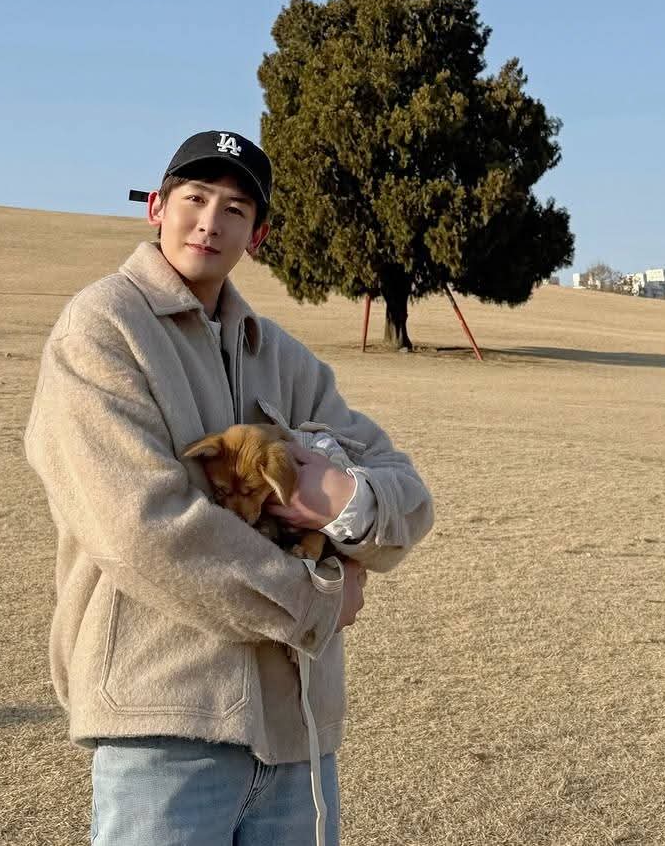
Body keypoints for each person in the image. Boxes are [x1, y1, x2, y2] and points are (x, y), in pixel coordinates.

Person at [25, 130, 434, 845]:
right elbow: (140, 525)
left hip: (299, 734)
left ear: (258, 235)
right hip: (166, 726)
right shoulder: (103, 327)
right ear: (157, 207)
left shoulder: (283, 357)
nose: (210, 221)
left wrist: (341, 501)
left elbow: (410, 495)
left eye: (236, 209)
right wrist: (317, 598)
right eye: (195, 197)